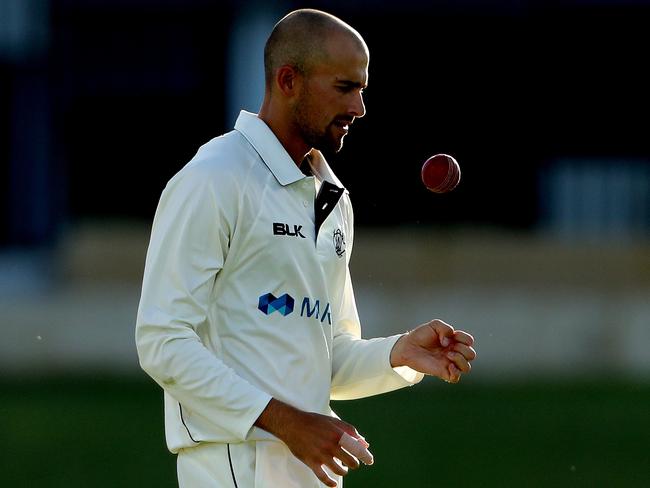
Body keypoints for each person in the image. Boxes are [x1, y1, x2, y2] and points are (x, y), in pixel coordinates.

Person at [135, 8, 476, 488]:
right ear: (288, 80)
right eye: (344, 88)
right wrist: (288, 423)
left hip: (310, 465)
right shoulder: (214, 178)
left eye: (362, 89)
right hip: (235, 465)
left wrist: (397, 355)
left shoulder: (332, 199)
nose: (359, 108)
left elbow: (326, 357)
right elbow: (162, 342)